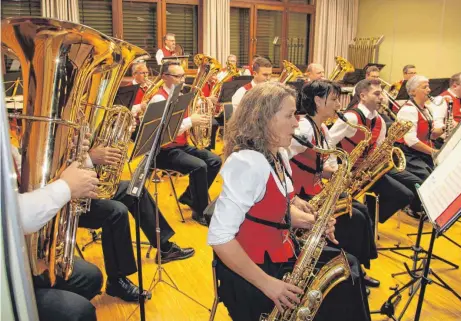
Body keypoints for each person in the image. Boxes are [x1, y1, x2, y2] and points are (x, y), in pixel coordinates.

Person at [208, 82, 371, 321]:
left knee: (350, 269)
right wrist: (269, 285)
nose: (297, 122)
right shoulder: (248, 163)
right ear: (263, 120)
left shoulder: (279, 153)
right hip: (253, 274)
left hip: (279, 252)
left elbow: (272, 211)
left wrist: (312, 222)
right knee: (343, 292)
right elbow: (219, 239)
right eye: (289, 115)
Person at [288, 80, 378, 292]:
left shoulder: (322, 130)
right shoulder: (303, 129)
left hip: (315, 189)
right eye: (335, 99)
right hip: (302, 196)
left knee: (362, 210)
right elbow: (283, 161)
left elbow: (319, 166)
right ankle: (348, 275)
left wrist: (339, 173)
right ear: (319, 101)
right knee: (354, 218)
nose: (338, 104)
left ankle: (358, 269)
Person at [79, 142, 195, 302]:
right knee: (116, 211)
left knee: (134, 189)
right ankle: (116, 281)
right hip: (70, 199)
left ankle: (164, 247)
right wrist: (90, 158)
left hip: (88, 187)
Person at [13, 143, 102, 321]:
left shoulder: (8, 146)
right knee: (79, 312)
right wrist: (66, 187)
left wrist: (73, 155)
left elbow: (31, 183)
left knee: (91, 278)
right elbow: (15, 218)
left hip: (19, 256)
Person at [328, 79, 414, 224]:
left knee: (405, 195)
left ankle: (371, 220)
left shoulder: (380, 120)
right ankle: (366, 221)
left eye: (381, 94)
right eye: (377, 94)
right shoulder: (351, 117)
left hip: (367, 172)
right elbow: (328, 141)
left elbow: (378, 146)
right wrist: (335, 169)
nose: (381, 98)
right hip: (348, 172)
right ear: (363, 96)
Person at [147, 61, 222, 226]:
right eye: (178, 76)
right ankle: (200, 212)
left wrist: (204, 106)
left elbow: (183, 121)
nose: (183, 80)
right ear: (164, 77)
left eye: (183, 76)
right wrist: (191, 121)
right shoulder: (159, 98)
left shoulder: (179, 96)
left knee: (215, 161)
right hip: (162, 151)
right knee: (199, 166)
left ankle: (190, 196)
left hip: (180, 146)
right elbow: (164, 131)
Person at [396, 75, 443, 184]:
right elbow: (410, 141)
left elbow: (430, 136)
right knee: (430, 177)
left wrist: (443, 129)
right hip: (408, 154)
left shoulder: (427, 109)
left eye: (428, 87)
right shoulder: (408, 110)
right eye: (424, 87)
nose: (429, 90)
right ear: (412, 92)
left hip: (421, 151)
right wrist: (434, 152)